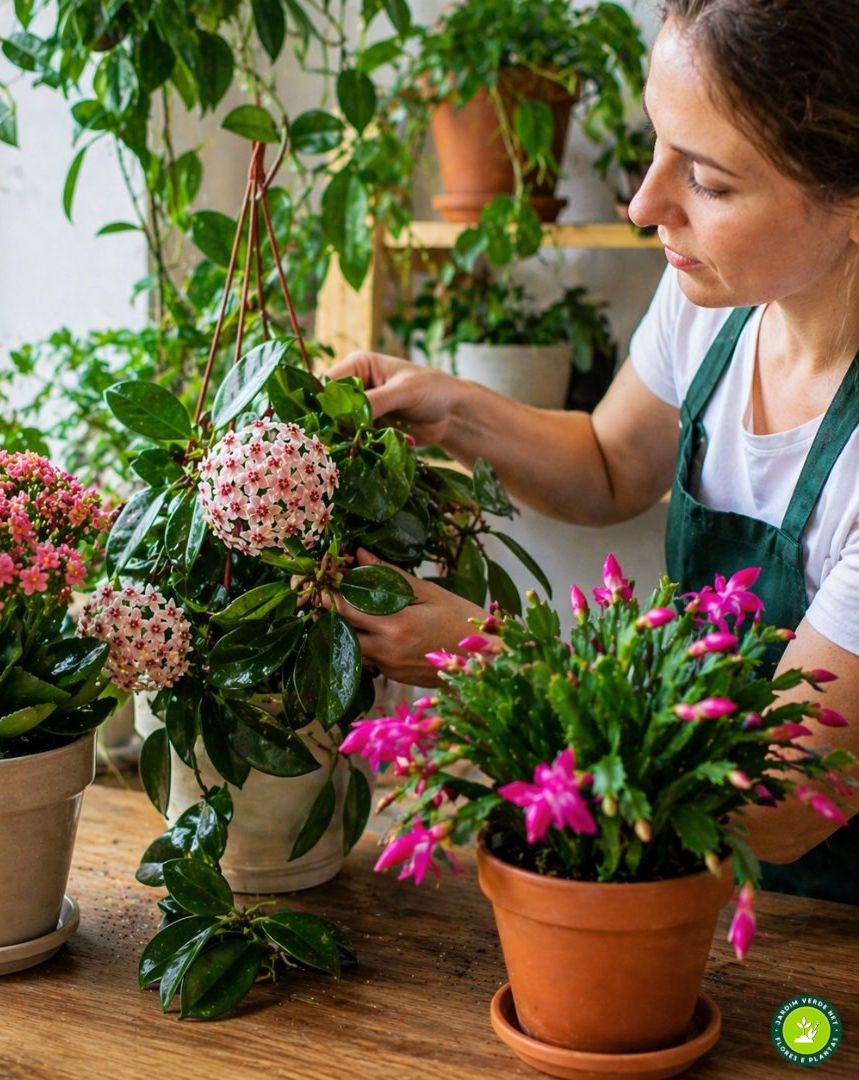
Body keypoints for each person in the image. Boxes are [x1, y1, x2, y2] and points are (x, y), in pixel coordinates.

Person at [326, 0, 859, 902]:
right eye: (656, 142)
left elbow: (785, 800)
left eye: (708, 181)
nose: (645, 204)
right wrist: (452, 409)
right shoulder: (713, 302)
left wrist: (487, 659)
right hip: (687, 876)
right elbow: (612, 463)